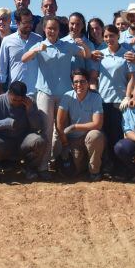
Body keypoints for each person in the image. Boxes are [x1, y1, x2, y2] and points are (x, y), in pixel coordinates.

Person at [22, 15, 91, 178]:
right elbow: (24, 59)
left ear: (60, 30)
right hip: (45, 93)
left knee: (61, 130)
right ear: (44, 29)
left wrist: (84, 45)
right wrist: (35, 50)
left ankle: (56, 161)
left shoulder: (67, 46)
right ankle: (43, 167)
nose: (52, 31)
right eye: (49, 28)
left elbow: (86, 55)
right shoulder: (39, 45)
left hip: (65, 94)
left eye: (55, 28)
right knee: (46, 130)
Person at [0, 81, 47, 182]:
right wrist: (6, 123)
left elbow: (38, 126)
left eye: (20, 100)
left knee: (40, 141)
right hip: (2, 140)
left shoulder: (29, 102)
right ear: (8, 93)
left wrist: (30, 110)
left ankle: (29, 168)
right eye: (14, 100)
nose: (17, 102)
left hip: (23, 141)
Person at [94, 24, 135, 176]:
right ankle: (107, 165)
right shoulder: (100, 55)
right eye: (106, 36)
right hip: (103, 100)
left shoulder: (126, 55)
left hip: (119, 101)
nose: (108, 39)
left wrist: (128, 95)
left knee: (118, 134)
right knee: (104, 134)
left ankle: (120, 166)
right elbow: (95, 77)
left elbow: (131, 78)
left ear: (118, 36)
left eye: (111, 35)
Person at [55, 68, 106, 181]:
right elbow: (59, 122)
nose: (79, 84)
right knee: (72, 171)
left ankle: (94, 171)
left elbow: (98, 124)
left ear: (88, 83)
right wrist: (65, 144)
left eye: (82, 81)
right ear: (72, 84)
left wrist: (75, 126)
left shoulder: (95, 97)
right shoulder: (67, 96)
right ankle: (85, 163)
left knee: (95, 135)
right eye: (76, 82)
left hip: (89, 136)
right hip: (73, 140)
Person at [0, 7, 42, 97]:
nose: (29, 25)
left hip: (35, 92)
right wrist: (0, 89)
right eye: (25, 22)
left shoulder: (38, 39)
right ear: (17, 23)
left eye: (30, 22)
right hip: (14, 92)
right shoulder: (7, 41)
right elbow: (2, 66)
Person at [63, 12, 99, 89]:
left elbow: (91, 68)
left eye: (78, 24)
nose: (74, 26)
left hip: (82, 86)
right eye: (72, 23)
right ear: (68, 24)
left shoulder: (89, 44)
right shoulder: (61, 42)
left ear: (83, 25)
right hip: (64, 86)